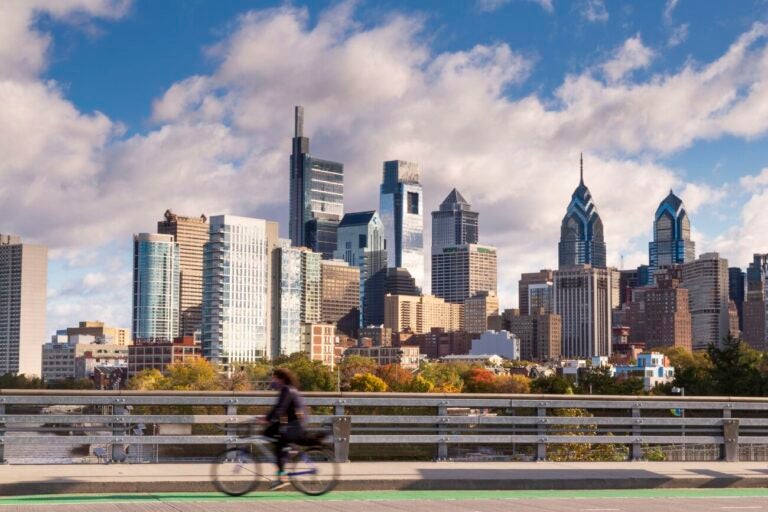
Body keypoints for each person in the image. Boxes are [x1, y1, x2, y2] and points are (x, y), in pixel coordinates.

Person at [263, 368, 307, 490]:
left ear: (281, 379)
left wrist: (267, 419)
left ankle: (283, 477)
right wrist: (268, 418)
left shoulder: (287, 389)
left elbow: (280, 408)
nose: (273, 381)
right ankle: (287, 452)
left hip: (295, 425)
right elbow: (281, 410)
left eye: (275, 378)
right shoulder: (286, 389)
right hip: (291, 423)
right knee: (269, 432)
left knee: (279, 445)